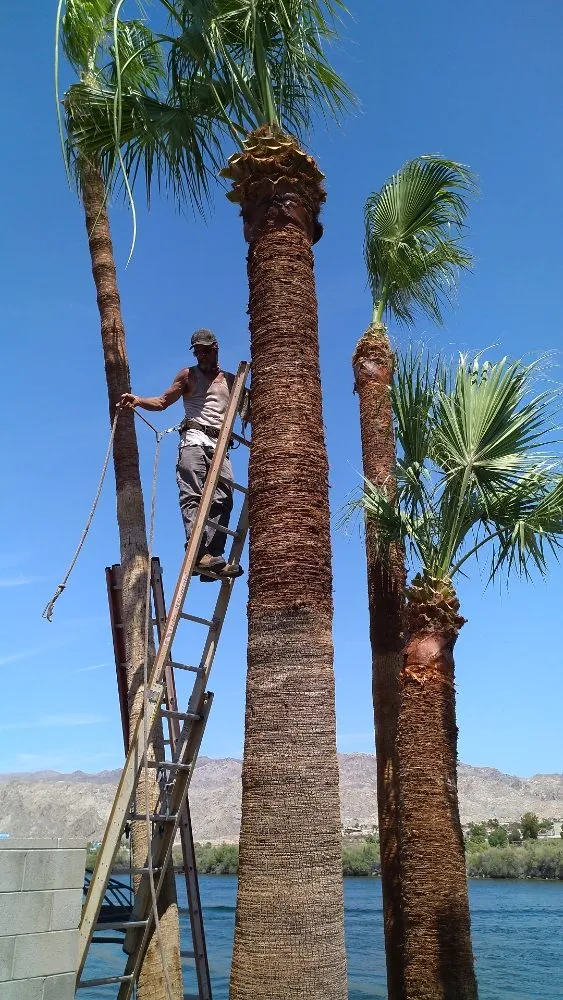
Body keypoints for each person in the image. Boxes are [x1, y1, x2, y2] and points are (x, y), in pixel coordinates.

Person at [120, 329, 243, 581]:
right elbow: (164, 401)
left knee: (224, 497)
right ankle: (199, 553)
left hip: (220, 445)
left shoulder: (231, 380)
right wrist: (138, 400)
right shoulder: (188, 375)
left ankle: (213, 556)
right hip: (194, 441)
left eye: (205, 350)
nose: (201, 355)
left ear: (216, 348)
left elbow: (250, 408)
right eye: (197, 350)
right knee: (193, 495)